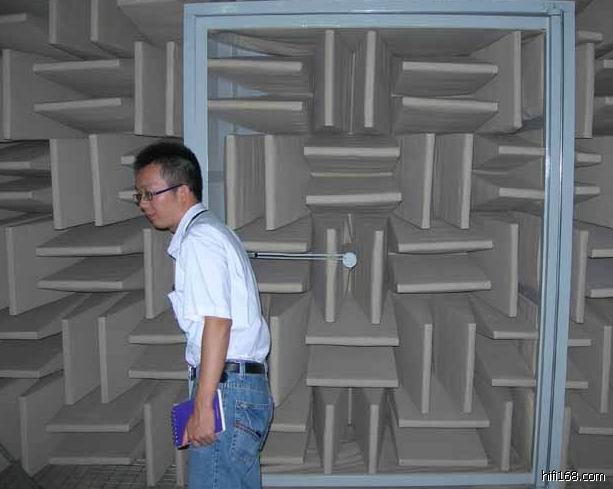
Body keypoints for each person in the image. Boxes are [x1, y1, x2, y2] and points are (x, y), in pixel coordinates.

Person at [133, 141, 272, 489]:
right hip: (236, 388)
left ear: (183, 191)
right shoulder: (212, 232)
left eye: (150, 194)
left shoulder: (200, 239)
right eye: (139, 196)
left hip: (227, 390)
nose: (143, 204)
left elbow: (217, 323)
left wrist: (204, 405)